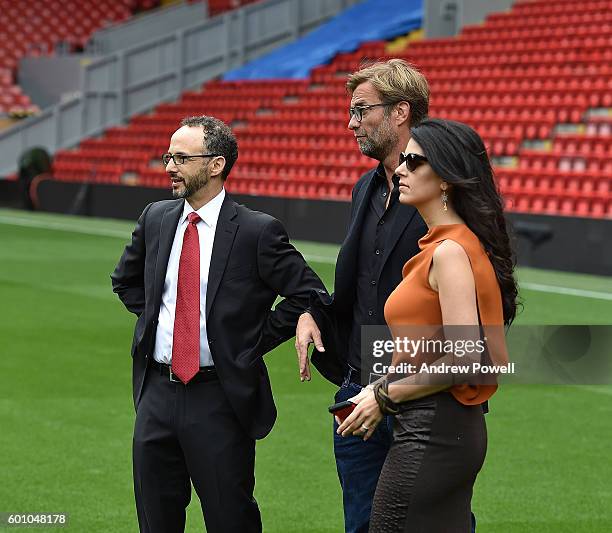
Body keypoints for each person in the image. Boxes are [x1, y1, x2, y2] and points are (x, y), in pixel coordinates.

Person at [111, 115, 327, 533]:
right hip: (156, 392)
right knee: (155, 521)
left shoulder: (256, 230)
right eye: (168, 156)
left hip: (220, 398)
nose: (169, 167)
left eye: (181, 158)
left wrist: (251, 340)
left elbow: (310, 292)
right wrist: (163, 320)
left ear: (216, 164)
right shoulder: (156, 217)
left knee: (231, 520)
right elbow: (125, 280)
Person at [336, 118, 518, 532]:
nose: (399, 169)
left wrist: (384, 395)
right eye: (403, 160)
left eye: (413, 162)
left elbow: (468, 358)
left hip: (434, 429)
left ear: (446, 179)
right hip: (439, 426)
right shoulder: (446, 245)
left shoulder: (450, 251)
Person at [295, 59, 430, 533]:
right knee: (362, 524)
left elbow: (482, 301)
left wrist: (398, 386)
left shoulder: (447, 188)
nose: (351, 123)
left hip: (421, 393)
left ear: (401, 112)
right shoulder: (364, 188)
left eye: (361, 110)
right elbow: (363, 283)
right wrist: (315, 311)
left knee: (435, 523)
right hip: (356, 387)